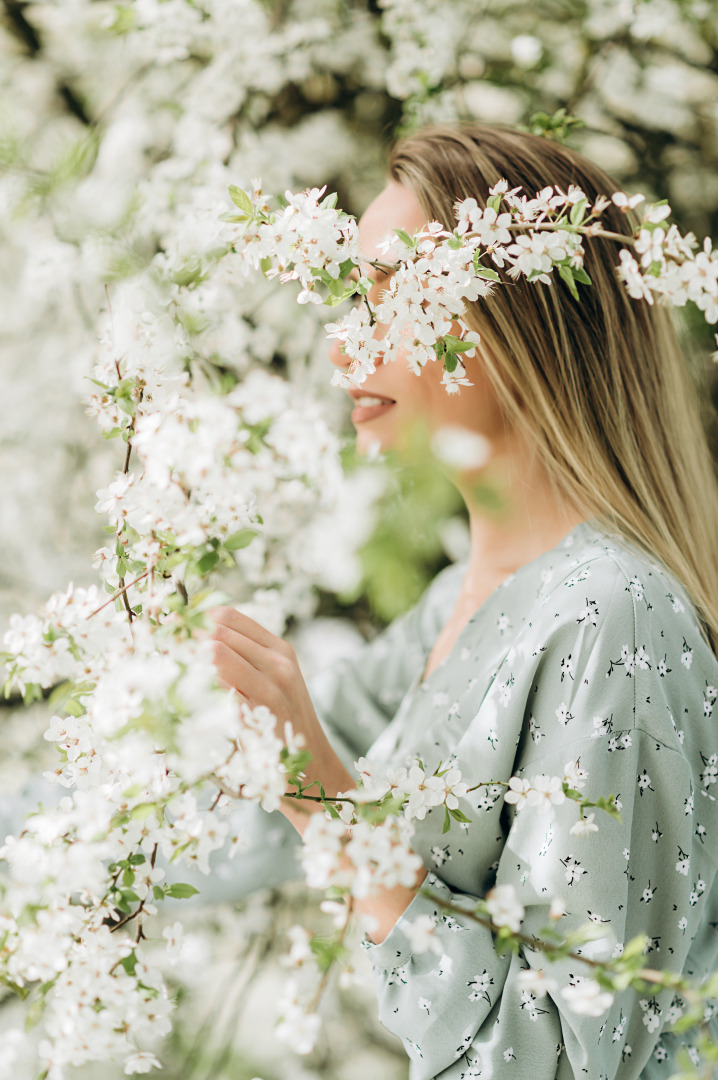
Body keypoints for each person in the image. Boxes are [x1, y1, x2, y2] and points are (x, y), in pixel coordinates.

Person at [208, 123, 718, 1078]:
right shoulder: (459, 601)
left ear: (521, 320)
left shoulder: (612, 615)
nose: (345, 341)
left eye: (394, 288)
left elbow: (572, 1058)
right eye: (354, 294)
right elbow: (234, 830)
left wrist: (324, 799)